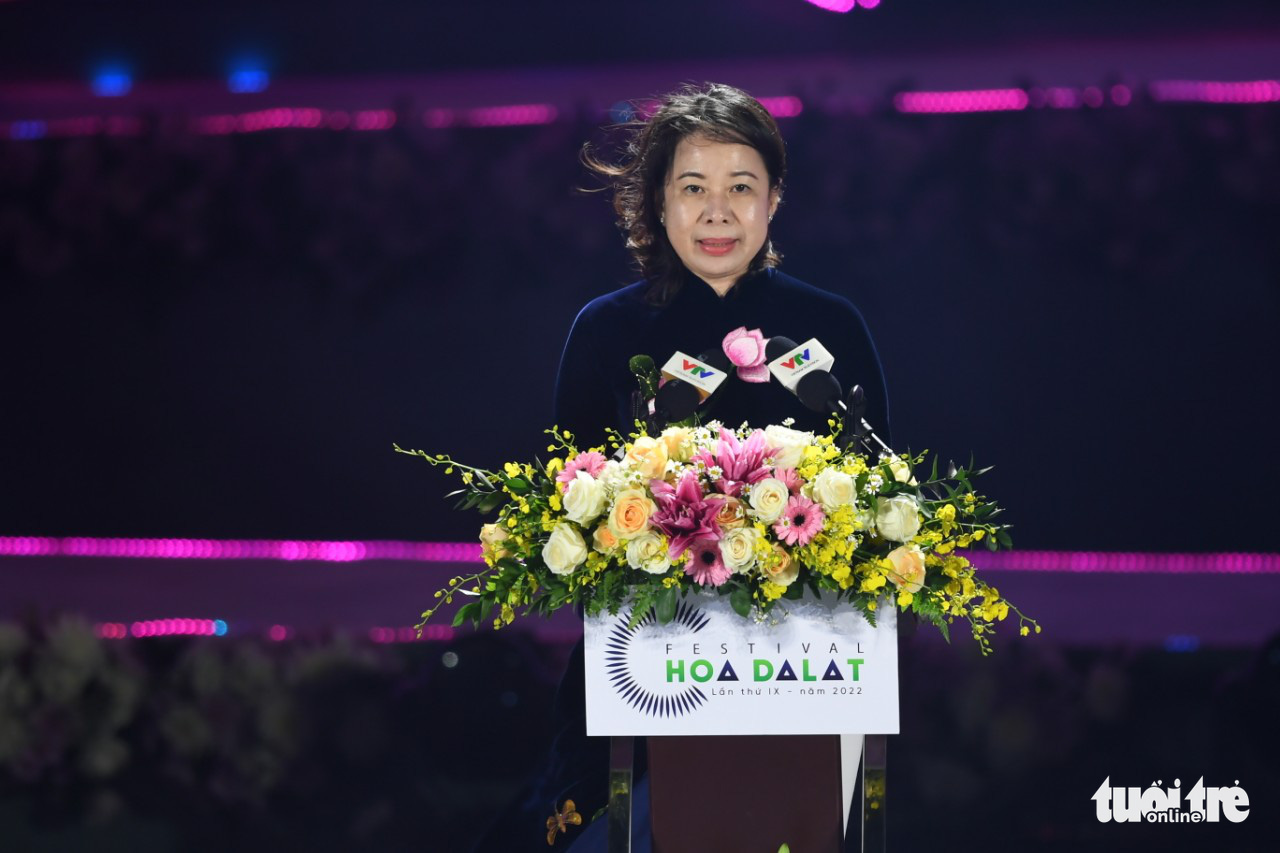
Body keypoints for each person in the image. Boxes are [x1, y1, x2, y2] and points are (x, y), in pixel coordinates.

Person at [474, 82, 891, 852]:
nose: (717, 210)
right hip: (646, 689)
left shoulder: (830, 326)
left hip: (805, 695)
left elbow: (884, 505)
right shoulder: (606, 331)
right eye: (692, 188)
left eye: (741, 187)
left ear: (774, 200)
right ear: (658, 203)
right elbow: (566, 514)